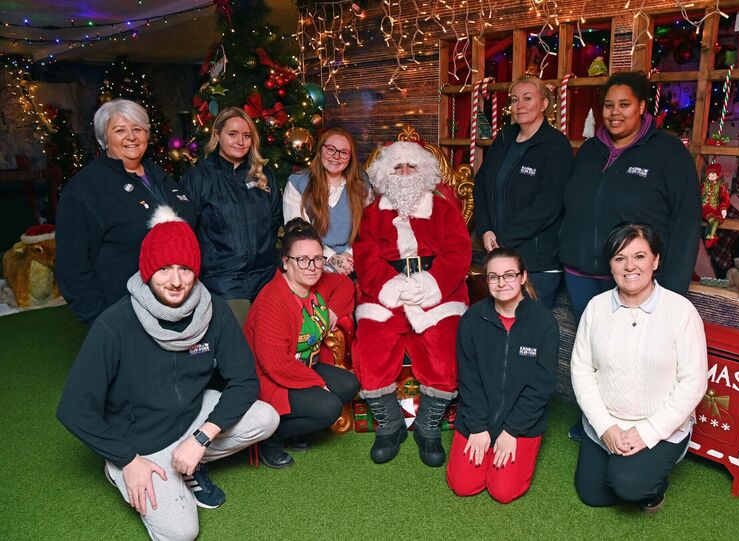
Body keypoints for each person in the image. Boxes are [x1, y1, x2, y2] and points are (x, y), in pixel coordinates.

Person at [57, 206, 278, 541]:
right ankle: (119, 470)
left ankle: (190, 461)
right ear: (147, 271)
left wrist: (200, 439)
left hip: (192, 419)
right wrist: (127, 461)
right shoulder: (114, 324)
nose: (176, 281)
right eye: (164, 269)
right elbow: (73, 409)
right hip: (139, 444)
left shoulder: (213, 309)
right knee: (181, 533)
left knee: (266, 418)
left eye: (185, 268)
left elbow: (244, 381)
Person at [570, 223, 707, 512]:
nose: (630, 266)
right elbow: (582, 371)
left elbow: (693, 382)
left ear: (656, 261)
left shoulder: (680, 311)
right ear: (611, 265)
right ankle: (624, 466)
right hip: (608, 422)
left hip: (660, 425)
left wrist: (646, 433)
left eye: (640, 256)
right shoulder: (596, 307)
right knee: (592, 494)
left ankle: (650, 486)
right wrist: (606, 427)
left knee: (629, 485)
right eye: (620, 258)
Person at [353, 141, 472, 467]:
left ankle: (428, 425)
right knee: (373, 339)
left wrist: (430, 284)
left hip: (437, 290)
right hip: (384, 291)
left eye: (412, 167)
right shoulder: (371, 214)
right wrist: (388, 285)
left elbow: (459, 254)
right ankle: (389, 423)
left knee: (443, 340)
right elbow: (364, 257)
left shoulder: (444, 208)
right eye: (397, 167)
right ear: (385, 174)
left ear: (424, 173)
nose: (405, 174)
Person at [560, 70, 701, 321]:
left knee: (630, 354)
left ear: (642, 106)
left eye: (624, 104)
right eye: (608, 105)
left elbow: (686, 223)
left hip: (634, 279)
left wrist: (674, 290)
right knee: (592, 348)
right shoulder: (590, 151)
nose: (615, 112)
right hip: (580, 276)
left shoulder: (669, 153)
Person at [56, 99, 196, 324]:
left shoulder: (160, 175)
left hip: (175, 304)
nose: (131, 137)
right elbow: (72, 265)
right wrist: (99, 319)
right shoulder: (84, 189)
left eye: (137, 129)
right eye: (119, 130)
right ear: (104, 138)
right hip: (123, 312)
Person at [244, 218, 360, 468]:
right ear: (285, 262)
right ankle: (270, 439)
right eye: (303, 260)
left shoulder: (316, 283)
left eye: (318, 258)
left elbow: (345, 287)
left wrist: (332, 313)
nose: (312, 267)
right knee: (329, 407)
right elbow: (275, 364)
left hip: (303, 366)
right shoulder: (272, 300)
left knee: (349, 385)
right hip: (268, 377)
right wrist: (318, 384)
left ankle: (296, 429)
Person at [446, 247, 558, 504]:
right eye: (493, 276)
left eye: (509, 275)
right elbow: (468, 379)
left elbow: (541, 386)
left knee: (503, 492)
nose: (501, 282)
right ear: (486, 281)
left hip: (521, 421)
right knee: (463, 485)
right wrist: (477, 427)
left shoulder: (543, 323)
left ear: (522, 277)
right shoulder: (472, 319)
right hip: (478, 416)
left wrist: (512, 431)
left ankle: (507, 442)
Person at [474, 76, 574, 308]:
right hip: (500, 253)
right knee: (502, 323)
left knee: (530, 331)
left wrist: (503, 239)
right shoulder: (505, 138)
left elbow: (548, 206)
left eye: (527, 98)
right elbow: (481, 183)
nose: (520, 105)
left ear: (544, 103)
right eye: (515, 99)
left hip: (536, 262)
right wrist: (486, 228)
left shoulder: (556, 146)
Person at [181, 107, 281, 326]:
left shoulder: (263, 176)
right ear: (217, 135)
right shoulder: (199, 178)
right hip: (223, 279)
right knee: (241, 344)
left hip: (265, 277)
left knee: (273, 341)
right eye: (232, 134)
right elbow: (187, 231)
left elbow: (275, 222)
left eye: (246, 136)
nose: (240, 142)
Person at [283, 127, 368, 275]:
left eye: (343, 152)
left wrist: (349, 257)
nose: (336, 156)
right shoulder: (298, 183)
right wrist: (331, 257)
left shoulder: (361, 183)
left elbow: (368, 228)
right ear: (321, 150)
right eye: (331, 149)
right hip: (311, 264)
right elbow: (297, 232)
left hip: (352, 263)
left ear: (350, 157)